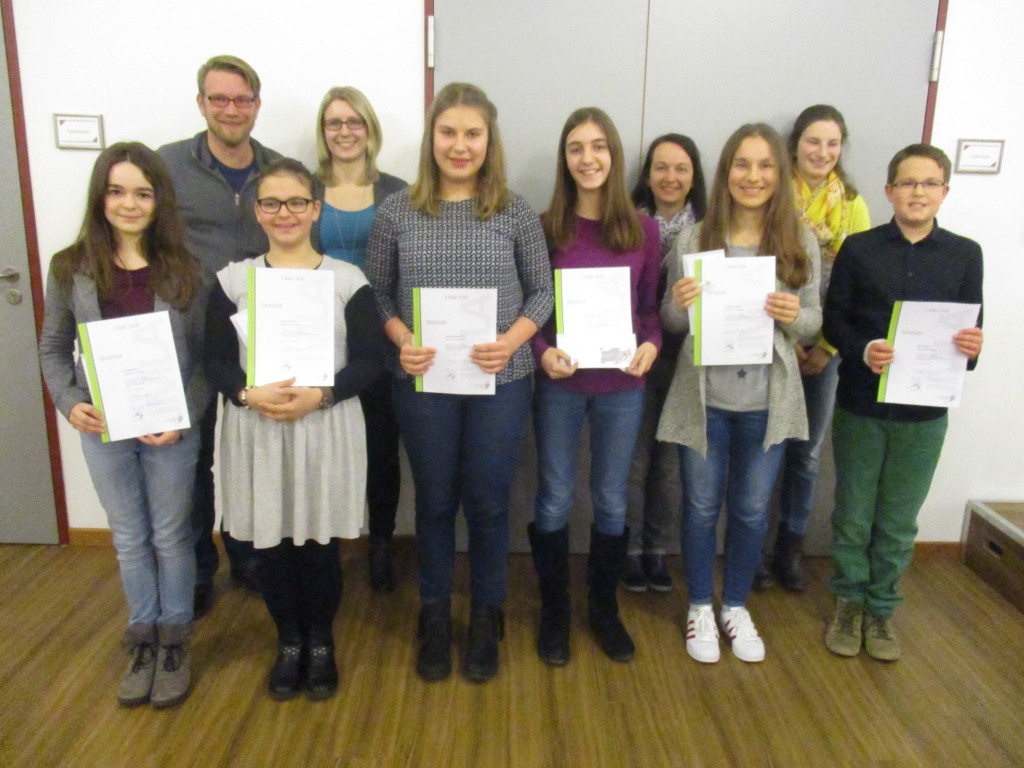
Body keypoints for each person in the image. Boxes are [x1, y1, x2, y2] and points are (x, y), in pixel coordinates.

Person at [365, 82, 553, 683]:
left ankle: (487, 615)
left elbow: (543, 292)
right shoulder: (397, 211)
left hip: (501, 379)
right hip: (422, 381)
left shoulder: (515, 211)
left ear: (489, 140)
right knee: (437, 501)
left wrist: (511, 341)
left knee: (489, 503)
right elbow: (377, 293)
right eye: (448, 132)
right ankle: (435, 613)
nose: (460, 145)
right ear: (432, 139)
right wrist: (400, 339)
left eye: (473, 133)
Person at [204, 158, 385, 700]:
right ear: (258, 212)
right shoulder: (233, 280)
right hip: (257, 428)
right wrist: (244, 392)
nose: (285, 213)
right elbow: (214, 360)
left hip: (323, 427)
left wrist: (321, 394)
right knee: (272, 544)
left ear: (316, 209)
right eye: (272, 203)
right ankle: (288, 641)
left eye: (297, 202)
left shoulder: (347, 280)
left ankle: (321, 641)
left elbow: (371, 361)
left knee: (318, 544)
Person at [39, 142, 208, 708]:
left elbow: (208, 358)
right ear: (100, 197)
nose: (129, 204)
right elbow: (53, 346)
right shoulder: (70, 267)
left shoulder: (185, 267)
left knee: (170, 534)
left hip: (170, 430)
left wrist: (183, 417)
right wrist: (68, 402)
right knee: (130, 537)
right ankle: (142, 635)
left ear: (159, 200)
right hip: (102, 425)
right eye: (116, 191)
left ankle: (175, 640)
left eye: (141, 192)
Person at [658, 124, 821, 664]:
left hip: (767, 405)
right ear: (726, 172)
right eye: (742, 165)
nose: (753, 177)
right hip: (704, 401)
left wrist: (796, 315)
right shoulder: (695, 237)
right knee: (701, 507)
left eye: (765, 166)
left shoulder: (800, 238)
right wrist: (680, 302)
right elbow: (671, 321)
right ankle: (700, 605)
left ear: (779, 173)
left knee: (751, 511)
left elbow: (815, 319)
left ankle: (737, 606)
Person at [823, 144, 983, 661]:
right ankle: (848, 602)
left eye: (929, 183)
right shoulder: (859, 248)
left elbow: (972, 331)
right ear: (889, 191)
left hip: (926, 413)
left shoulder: (966, 254)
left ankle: (883, 609)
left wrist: (973, 345)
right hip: (862, 404)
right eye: (908, 183)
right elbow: (834, 320)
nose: (918, 192)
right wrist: (863, 348)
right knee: (852, 513)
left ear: (944, 192)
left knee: (898, 520)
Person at [528, 107, 661, 666]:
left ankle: (603, 608)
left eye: (599, 146)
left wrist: (650, 346)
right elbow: (529, 311)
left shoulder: (644, 229)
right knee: (555, 496)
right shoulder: (544, 227)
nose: (588, 158)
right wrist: (540, 352)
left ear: (614, 155)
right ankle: (555, 610)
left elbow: (649, 313)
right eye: (577, 147)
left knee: (610, 498)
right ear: (565, 158)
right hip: (561, 383)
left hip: (622, 388)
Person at [158, 55, 282, 616]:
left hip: (263, 337)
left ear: (256, 104)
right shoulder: (167, 167)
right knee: (197, 456)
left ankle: (249, 554)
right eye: (219, 99)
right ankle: (200, 567)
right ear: (202, 103)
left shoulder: (281, 169)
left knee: (250, 453)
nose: (231, 109)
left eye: (242, 99)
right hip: (188, 336)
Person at [759, 105, 872, 592]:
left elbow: (859, 284)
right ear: (795, 146)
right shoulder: (772, 200)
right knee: (764, 447)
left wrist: (825, 345)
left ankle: (790, 549)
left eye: (832, 143)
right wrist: (789, 337)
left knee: (805, 455)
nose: (822, 152)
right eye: (812, 141)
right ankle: (755, 549)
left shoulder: (853, 206)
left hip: (829, 347)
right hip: (772, 342)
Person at [311, 86, 407, 593]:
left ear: (369, 129)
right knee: (325, 446)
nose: (344, 132)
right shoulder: (304, 188)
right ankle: (323, 546)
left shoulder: (397, 190)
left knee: (380, 450)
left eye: (354, 122)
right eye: (334, 123)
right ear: (323, 132)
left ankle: (381, 544)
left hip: (383, 339)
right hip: (319, 339)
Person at [622, 133, 707, 593]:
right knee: (635, 461)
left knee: (671, 464)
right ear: (647, 173)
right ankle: (631, 551)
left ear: (694, 177)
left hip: (690, 358)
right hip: (634, 355)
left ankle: (657, 550)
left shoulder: (711, 230)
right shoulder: (628, 224)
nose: (670, 177)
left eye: (681, 168)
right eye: (661, 167)